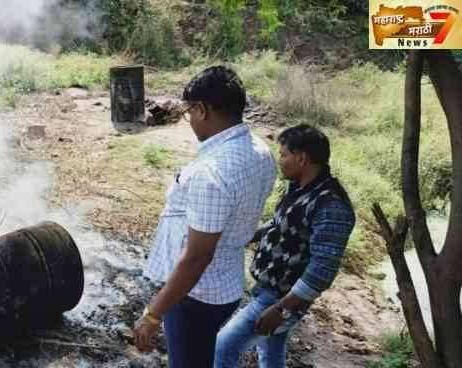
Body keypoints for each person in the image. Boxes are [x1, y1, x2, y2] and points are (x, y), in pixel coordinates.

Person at [132, 66, 277, 368]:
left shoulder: (211, 172)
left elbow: (197, 258)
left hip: (195, 296)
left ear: (202, 110)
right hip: (227, 284)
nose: (190, 121)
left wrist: (153, 314)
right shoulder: (262, 152)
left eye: (189, 113)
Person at [213, 124, 356, 368]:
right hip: (269, 290)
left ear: (301, 158)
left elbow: (322, 271)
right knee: (270, 355)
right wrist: (239, 237)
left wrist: (280, 310)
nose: (280, 161)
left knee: (224, 346)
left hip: (280, 298)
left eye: (283, 154)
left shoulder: (331, 205)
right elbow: (279, 225)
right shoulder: (300, 190)